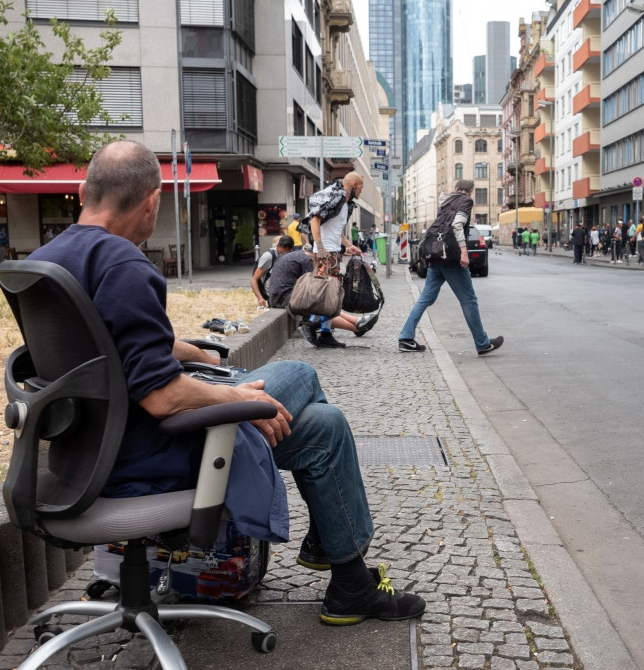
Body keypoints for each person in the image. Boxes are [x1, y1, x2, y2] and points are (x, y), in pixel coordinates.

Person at [27, 140, 423, 626]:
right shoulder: (123, 264)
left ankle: (351, 583)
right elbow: (162, 397)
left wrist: (190, 353)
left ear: (87, 190)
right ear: (152, 201)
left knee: (323, 425)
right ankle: (332, 551)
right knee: (299, 374)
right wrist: (235, 397)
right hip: (145, 453)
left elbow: (102, 341)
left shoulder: (50, 259)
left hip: (85, 449)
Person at [398, 179, 503, 356]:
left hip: (436, 256)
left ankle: (405, 337)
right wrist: (464, 251)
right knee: (469, 300)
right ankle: (482, 343)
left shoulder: (445, 201)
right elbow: (456, 225)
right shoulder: (466, 201)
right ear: (470, 192)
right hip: (451, 259)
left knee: (426, 298)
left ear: (455, 189)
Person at [298, 173, 366, 349]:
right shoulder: (335, 197)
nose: (361, 190)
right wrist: (320, 248)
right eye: (360, 186)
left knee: (332, 294)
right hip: (325, 253)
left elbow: (337, 229)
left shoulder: (345, 203)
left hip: (334, 252)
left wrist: (348, 246)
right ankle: (311, 325)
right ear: (351, 184)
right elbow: (315, 219)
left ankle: (325, 334)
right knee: (326, 293)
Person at [265, 246, 380, 346]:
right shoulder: (307, 260)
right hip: (286, 298)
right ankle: (356, 326)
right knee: (319, 304)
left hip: (278, 296)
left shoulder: (293, 256)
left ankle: (358, 322)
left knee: (322, 303)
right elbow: (314, 285)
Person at [251, 236, 293, 308]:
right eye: (281, 252)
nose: (283, 255)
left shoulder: (291, 255)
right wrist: (260, 298)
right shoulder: (268, 257)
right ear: (277, 246)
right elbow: (254, 279)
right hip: (271, 293)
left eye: (286, 253)